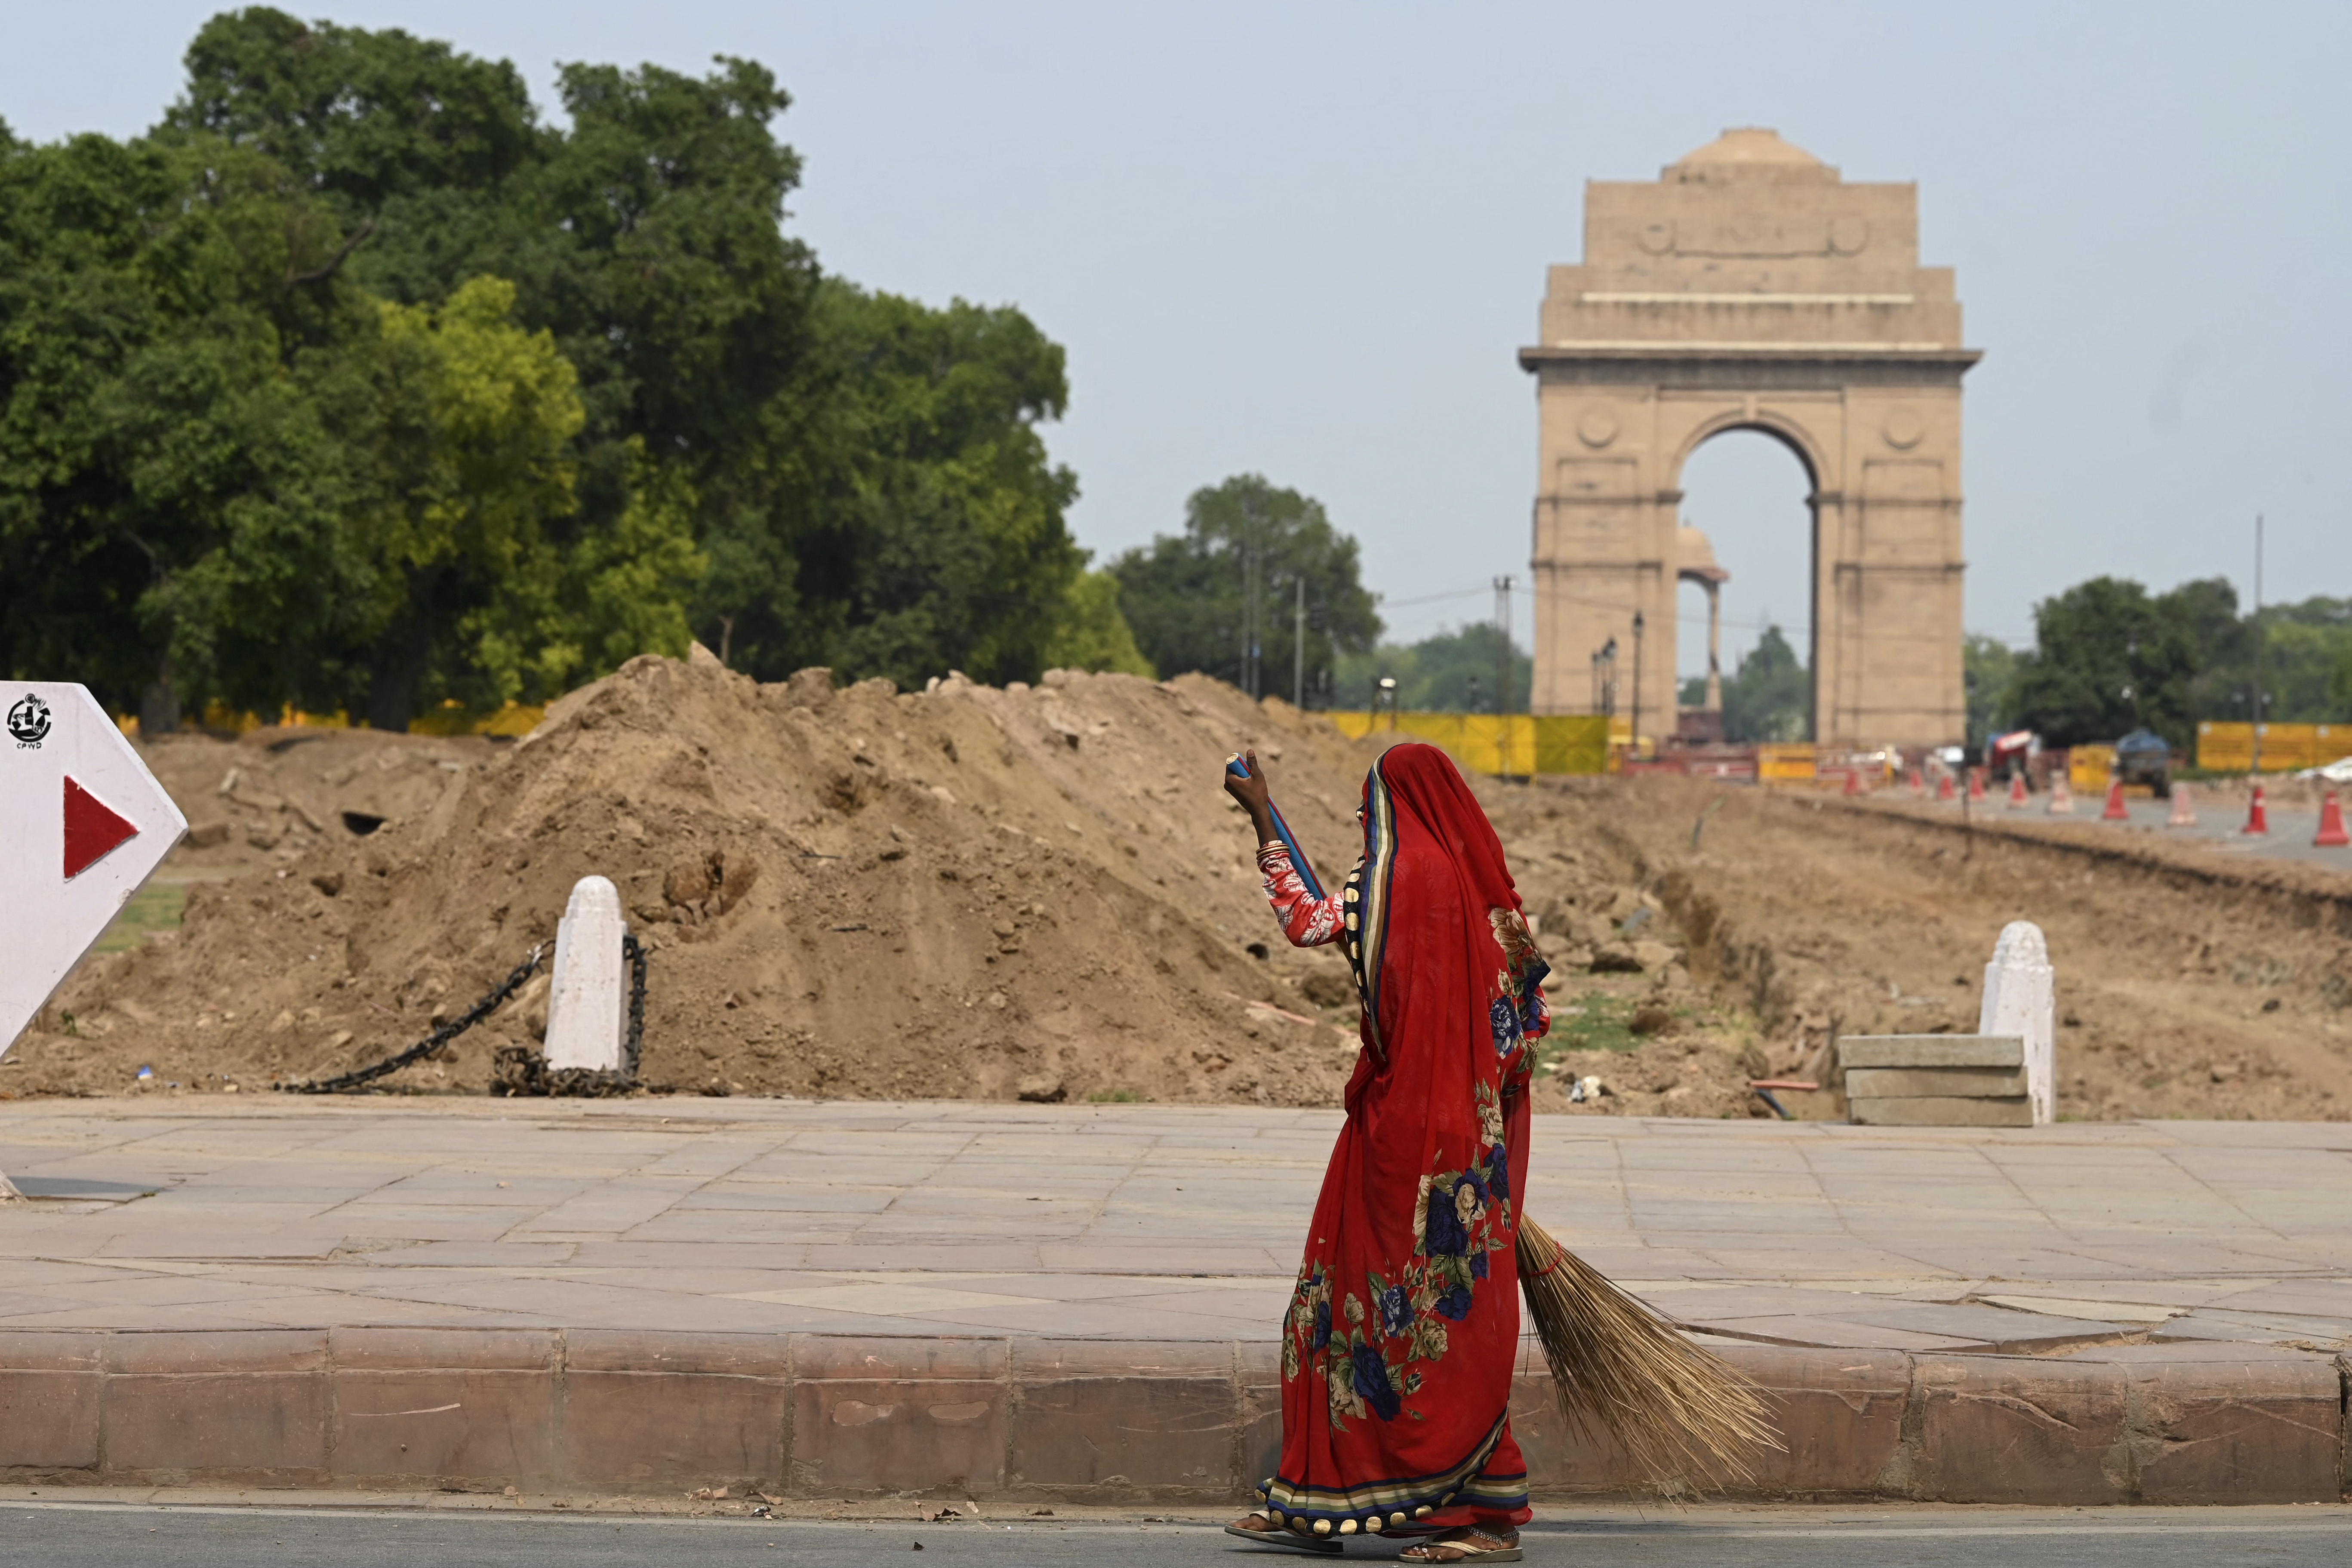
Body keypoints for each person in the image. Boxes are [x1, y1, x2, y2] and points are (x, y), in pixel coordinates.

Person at [1222, 742, 1549, 1563]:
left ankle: (1470, 1517)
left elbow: (1309, 921)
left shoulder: (1389, 886)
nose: (1365, 822)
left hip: (1400, 1142)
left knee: (1350, 1301)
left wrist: (1262, 815)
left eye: (1369, 808)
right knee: (1444, 1312)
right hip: (1470, 1150)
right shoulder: (1492, 903)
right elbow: (1526, 1029)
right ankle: (1321, 1497)